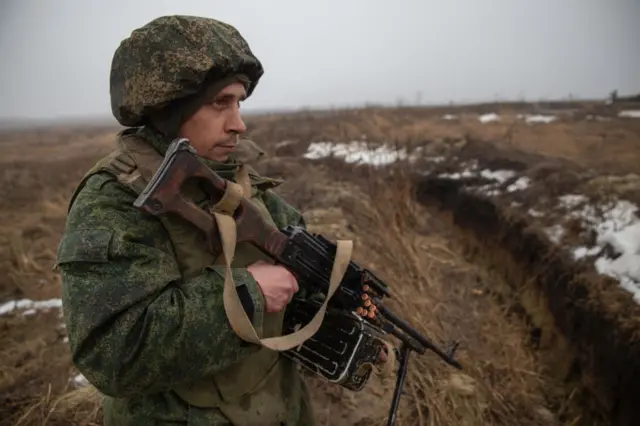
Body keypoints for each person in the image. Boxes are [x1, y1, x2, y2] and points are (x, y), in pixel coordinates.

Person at [55, 15, 316, 426]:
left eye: (239, 102)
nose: (239, 123)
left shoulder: (235, 178)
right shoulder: (116, 199)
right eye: (219, 103)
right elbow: (115, 353)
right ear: (170, 107)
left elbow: (296, 248)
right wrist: (249, 295)